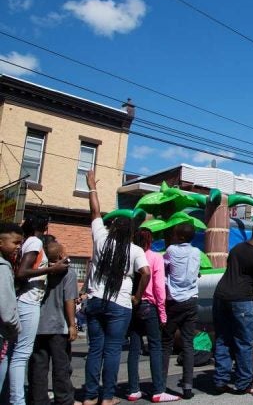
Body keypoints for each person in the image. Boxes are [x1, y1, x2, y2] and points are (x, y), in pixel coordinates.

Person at [82, 170, 151, 405]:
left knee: (94, 350)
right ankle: (108, 397)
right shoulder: (136, 250)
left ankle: (90, 396)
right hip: (120, 304)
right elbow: (146, 273)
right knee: (112, 351)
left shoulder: (100, 238)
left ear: (112, 228)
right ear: (131, 233)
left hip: (94, 300)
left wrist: (92, 187)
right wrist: (137, 296)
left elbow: (94, 211)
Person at [8, 213, 69, 405]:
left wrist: (49, 266)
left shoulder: (27, 242)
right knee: (21, 355)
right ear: (44, 226)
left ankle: (10, 395)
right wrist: (51, 269)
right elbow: (23, 272)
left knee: (13, 353)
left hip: (23, 300)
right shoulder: (34, 242)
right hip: (28, 301)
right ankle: (17, 400)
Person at [212, 220, 253, 396]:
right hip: (241, 299)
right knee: (244, 342)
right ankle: (244, 383)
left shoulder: (237, 248)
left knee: (222, 338)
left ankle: (220, 381)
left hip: (220, 296)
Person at [126, 229, 178, 403]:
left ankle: (133, 389)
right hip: (150, 306)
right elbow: (159, 288)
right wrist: (163, 314)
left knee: (134, 348)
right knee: (155, 347)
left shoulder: (129, 256)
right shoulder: (156, 257)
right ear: (150, 241)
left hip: (132, 305)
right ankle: (158, 390)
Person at [27, 239, 78, 405]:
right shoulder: (68, 273)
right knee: (61, 366)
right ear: (62, 255)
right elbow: (69, 300)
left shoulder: (39, 271)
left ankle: (38, 399)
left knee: (38, 367)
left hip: (38, 325)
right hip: (58, 326)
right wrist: (72, 324)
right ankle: (64, 399)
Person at [162, 222, 200, 400]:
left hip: (174, 301)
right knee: (188, 343)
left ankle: (160, 382)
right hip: (192, 299)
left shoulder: (171, 250)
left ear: (181, 237)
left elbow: (164, 268)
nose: (173, 237)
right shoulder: (196, 252)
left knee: (166, 342)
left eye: (175, 234)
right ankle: (187, 386)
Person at [0, 223, 23, 394]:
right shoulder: (2, 268)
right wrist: (16, 328)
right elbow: (7, 310)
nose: (18, 247)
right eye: (15, 243)